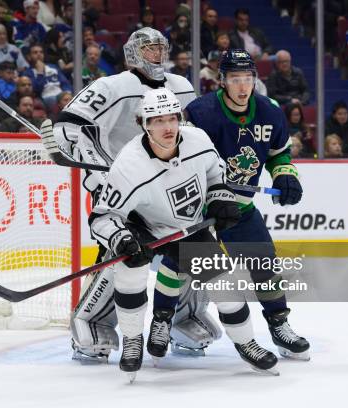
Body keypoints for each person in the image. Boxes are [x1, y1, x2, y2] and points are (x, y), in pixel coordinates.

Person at [44, 27, 221, 363]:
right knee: (124, 256)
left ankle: (185, 317)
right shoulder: (112, 87)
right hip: (127, 189)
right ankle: (93, 322)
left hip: (171, 189)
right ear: (134, 53)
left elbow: (199, 133)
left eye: (160, 48)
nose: (157, 54)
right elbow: (69, 127)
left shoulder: (181, 86)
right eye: (150, 49)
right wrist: (101, 172)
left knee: (194, 248)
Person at [90, 88, 276, 381]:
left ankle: (246, 342)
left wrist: (220, 200)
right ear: (144, 124)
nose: (167, 127)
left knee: (225, 286)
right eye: (158, 120)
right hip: (142, 227)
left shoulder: (198, 140)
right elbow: (102, 218)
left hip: (186, 226)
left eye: (172, 118)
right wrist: (121, 239)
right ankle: (132, 340)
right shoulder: (129, 166)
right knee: (131, 273)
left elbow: (216, 176)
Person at [185, 49, 311, 361]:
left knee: (265, 266)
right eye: (236, 79)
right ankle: (167, 321)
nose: (243, 86)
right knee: (192, 273)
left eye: (248, 78)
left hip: (239, 210)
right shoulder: (200, 113)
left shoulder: (269, 111)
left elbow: (278, 154)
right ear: (222, 81)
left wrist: (284, 175)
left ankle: (279, 325)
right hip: (197, 213)